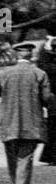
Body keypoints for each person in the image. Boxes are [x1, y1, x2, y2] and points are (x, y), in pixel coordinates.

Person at [0, 40, 55, 184]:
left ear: (17, 55)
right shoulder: (39, 74)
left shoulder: (6, 73)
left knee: (13, 160)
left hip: (9, 124)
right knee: (25, 161)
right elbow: (47, 98)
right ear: (31, 55)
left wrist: (5, 91)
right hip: (32, 124)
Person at [38, 35, 56, 166]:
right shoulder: (50, 66)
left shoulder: (47, 65)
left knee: (52, 127)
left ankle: (50, 156)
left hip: (52, 100)